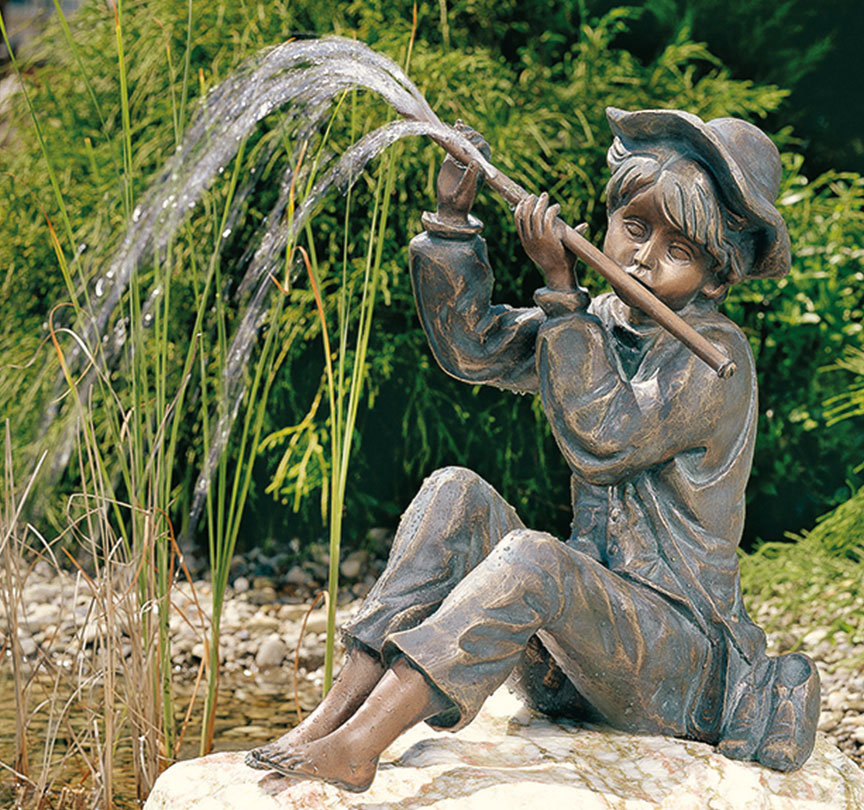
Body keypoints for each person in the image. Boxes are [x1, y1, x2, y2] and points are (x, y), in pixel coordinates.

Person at [245, 108, 820, 792]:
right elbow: (475, 347)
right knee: (453, 491)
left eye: (679, 250)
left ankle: (359, 749)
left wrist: (561, 294)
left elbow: (603, 438)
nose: (641, 257)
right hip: (572, 664)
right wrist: (451, 224)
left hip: (676, 666)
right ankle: (328, 722)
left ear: (718, 277)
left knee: (535, 559)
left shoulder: (715, 360)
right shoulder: (594, 322)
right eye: (635, 228)